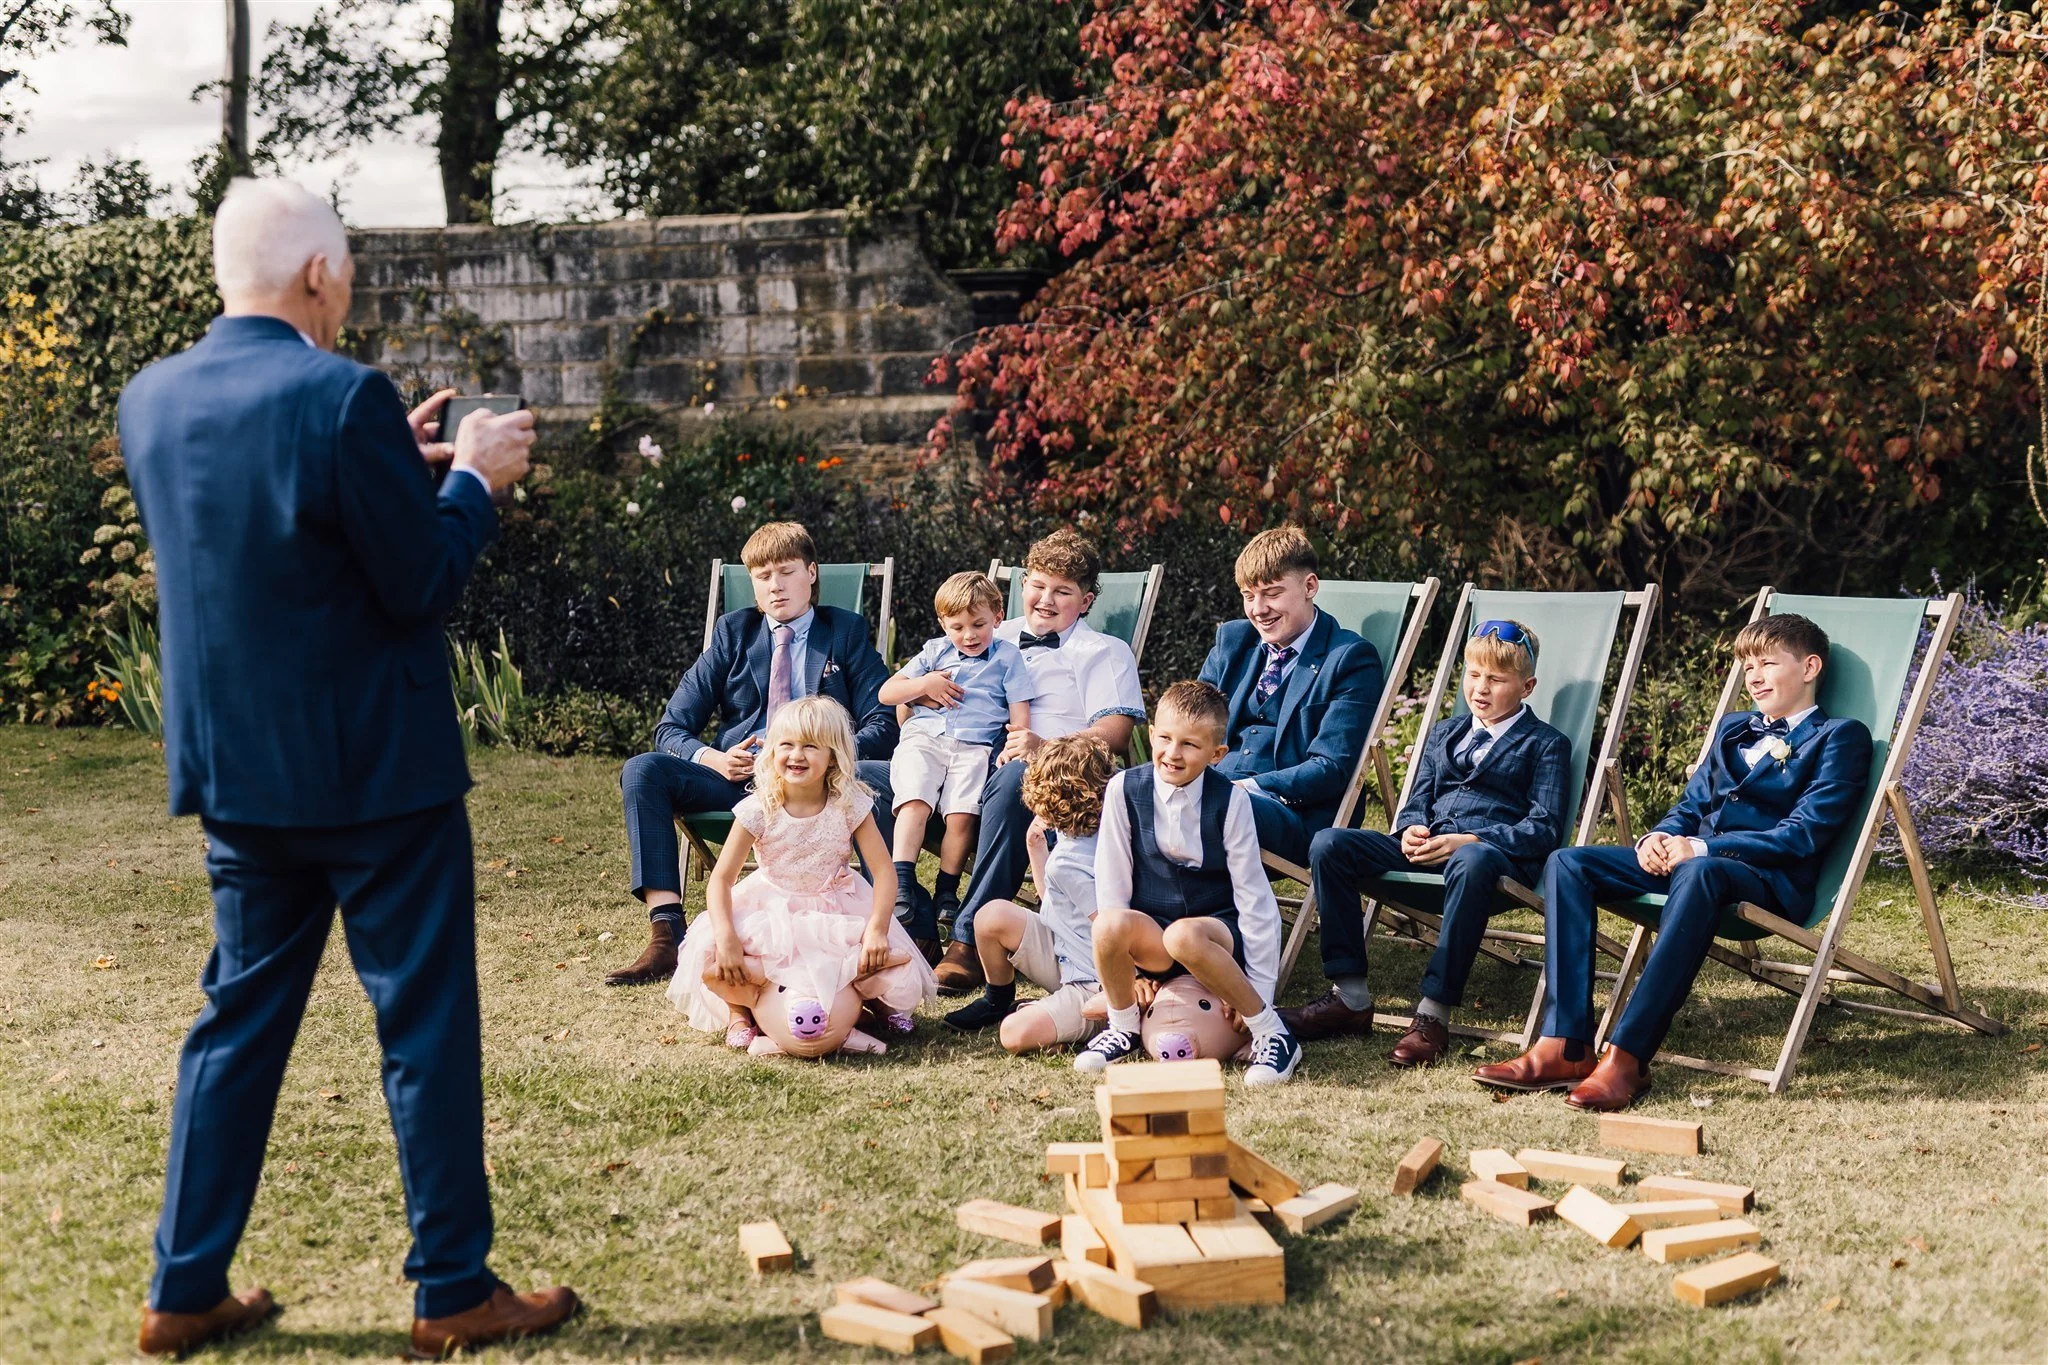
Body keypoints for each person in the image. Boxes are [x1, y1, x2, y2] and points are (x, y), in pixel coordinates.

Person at [119, 178, 576, 1358]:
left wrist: (396, 466)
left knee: (236, 1024)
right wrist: (471, 477)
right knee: (422, 1027)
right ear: (319, 273)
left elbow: (271, 542)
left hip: (237, 779)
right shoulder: (342, 395)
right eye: (349, 270)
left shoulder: (152, 399)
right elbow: (416, 582)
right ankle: (451, 1292)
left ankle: (182, 1288)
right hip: (379, 779)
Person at [1477, 613, 1873, 1111]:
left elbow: (1805, 834)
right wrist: (1659, 837)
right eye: (1747, 664)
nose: (1753, 676)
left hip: (1767, 880)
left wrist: (1701, 849)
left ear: (1810, 667)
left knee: (1699, 870)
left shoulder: (1840, 736)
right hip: (1692, 868)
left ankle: (1628, 1056)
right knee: (1567, 863)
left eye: (1767, 663)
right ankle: (1567, 1044)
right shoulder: (1733, 727)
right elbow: (1691, 807)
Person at [605, 521, 897, 987]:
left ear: (812, 572)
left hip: (820, 791)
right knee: (643, 771)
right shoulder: (733, 633)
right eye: (762, 576)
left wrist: (824, 759)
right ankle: (666, 930)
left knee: (874, 772)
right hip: (739, 785)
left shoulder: (844, 632)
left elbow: (883, 724)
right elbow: (670, 727)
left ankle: (888, 918)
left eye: (786, 572)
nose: (775, 585)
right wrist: (712, 759)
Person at [1283, 620, 1572, 1065]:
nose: (1480, 688)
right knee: (1328, 845)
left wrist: (1470, 839)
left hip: (1489, 861)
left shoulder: (1546, 744)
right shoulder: (1444, 733)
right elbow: (1417, 800)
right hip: (1427, 848)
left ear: (1527, 686)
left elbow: (1544, 827)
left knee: (1472, 859)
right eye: (1473, 675)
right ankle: (1350, 997)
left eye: (1495, 679)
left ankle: (1433, 1013)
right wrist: (1412, 828)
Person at [935, 530, 1146, 994]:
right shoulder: (987, 632)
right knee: (869, 782)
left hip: (1045, 779)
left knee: (1015, 778)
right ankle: (909, 926)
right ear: (1021, 584)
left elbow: (1113, 733)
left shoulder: (1104, 651)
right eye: (1038, 585)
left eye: (1062, 591)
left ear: (1086, 600)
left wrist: (1044, 746)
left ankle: (967, 941)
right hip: (960, 762)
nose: (1045, 599)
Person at [668, 697, 937, 1055]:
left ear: (833, 756)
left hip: (834, 904)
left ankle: (877, 1005)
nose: (797, 755)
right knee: (720, 953)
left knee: (868, 954)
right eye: (787, 745)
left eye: (811, 746)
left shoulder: (850, 804)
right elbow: (721, 879)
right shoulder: (759, 807)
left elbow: (885, 874)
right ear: (772, 750)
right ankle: (740, 1013)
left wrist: (876, 929)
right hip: (771, 904)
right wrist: (727, 934)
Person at [1074, 682, 1298, 1087]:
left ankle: (1271, 1032)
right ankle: (1123, 1026)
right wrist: (1132, 970)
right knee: (1107, 923)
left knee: (1183, 936)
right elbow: (1113, 880)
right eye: (1164, 738)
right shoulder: (1124, 789)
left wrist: (1259, 988)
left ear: (1217, 754)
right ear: (1150, 734)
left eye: (1190, 745)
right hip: (1154, 933)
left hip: (1213, 930)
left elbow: (1254, 899)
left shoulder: (1232, 801)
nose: (1173, 753)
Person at [1195, 526, 1384, 868]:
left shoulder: (1349, 658)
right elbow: (1189, 726)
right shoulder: (1233, 641)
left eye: (1272, 594)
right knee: (1119, 788)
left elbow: (1329, 767)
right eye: (1248, 595)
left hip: (1295, 814)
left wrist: (1244, 788)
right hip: (1210, 792)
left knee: (1209, 805)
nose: (1258, 609)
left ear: (1310, 586)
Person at [877, 571, 1037, 951]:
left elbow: (1019, 712)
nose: (969, 636)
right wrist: (924, 685)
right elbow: (887, 692)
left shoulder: (1008, 657)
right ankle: (902, 880)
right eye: (958, 627)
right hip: (926, 740)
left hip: (975, 747)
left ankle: (947, 892)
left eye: (978, 625)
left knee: (962, 814)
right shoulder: (935, 651)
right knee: (914, 802)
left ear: (998, 616)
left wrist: (1017, 746)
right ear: (943, 624)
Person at [942, 734, 1116, 1052]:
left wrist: (1116, 994)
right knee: (991, 915)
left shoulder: (1074, 859)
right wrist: (1035, 847)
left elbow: (1111, 931)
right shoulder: (1077, 838)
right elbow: (1058, 907)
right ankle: (998, 998)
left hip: (1097, 982)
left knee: (1014, 1033)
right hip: (1068, 956)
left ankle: (1094, 1023)